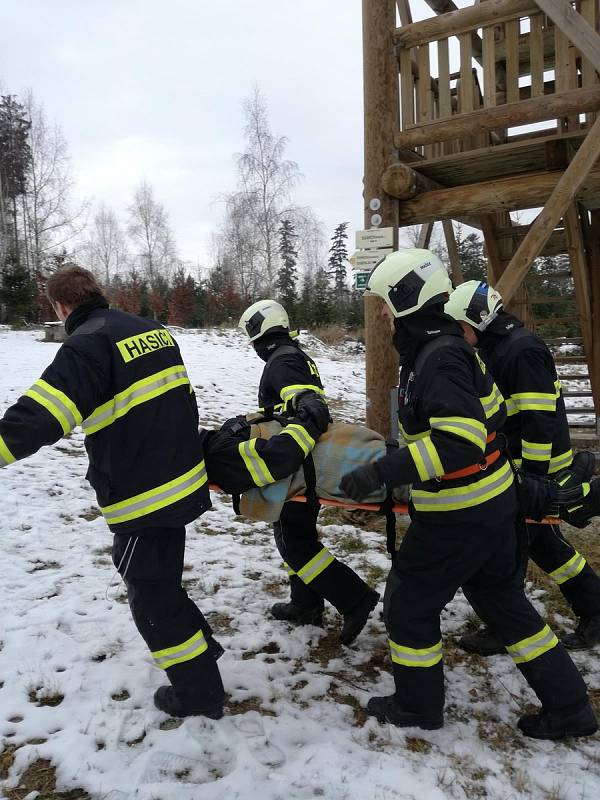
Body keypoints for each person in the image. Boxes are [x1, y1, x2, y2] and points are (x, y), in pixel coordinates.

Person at [339, 248, 597, 739]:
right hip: (493, 504)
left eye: (389, 304)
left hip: (459, 514)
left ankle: (417, 706)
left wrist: (385, 470)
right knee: (504, 605)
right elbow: (491, 418)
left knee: (408, 605)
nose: (386, 316)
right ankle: (570, 706)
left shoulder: (439, 358)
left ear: (408, 299)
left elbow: (458, 443)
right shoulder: (452, 349)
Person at [0, 265, 224, 719]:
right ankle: (202, 653)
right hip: (181, 474)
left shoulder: (87, 344)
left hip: (146, 491)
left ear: (59, 306)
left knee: (150, 592)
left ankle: (199, 694)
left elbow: (42, 416)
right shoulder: (149, 330)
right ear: (95, 293)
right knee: (159, 579)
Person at [445, 280, 600, 652]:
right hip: (521, 466)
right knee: (538, 545)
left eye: (459, 328)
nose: (458, 335)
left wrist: (533, 478)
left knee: (518, 546)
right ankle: (589, 610)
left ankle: (508, 624)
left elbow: (538, 420)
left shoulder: (521, 351)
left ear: (478, 321)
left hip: (538, 467)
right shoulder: (499, 346)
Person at [238, 299, 379, 644]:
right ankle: (305, 603)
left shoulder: (283, 360)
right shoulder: (291, 354)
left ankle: (354, 598)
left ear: (259, 333)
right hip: (302, 463)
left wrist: (286, 450)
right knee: (292, 537)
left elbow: (307, 405)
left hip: (296, 465)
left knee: (295, 543)